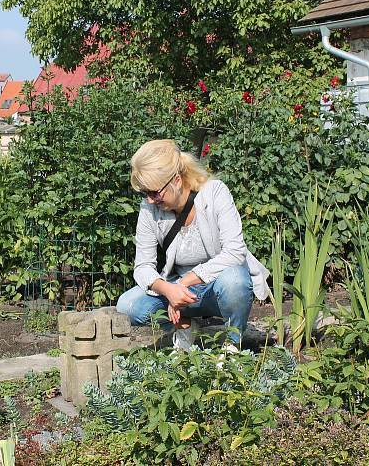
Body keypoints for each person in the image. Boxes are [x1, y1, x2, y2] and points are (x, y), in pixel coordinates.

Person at [116, 139, 270, 349]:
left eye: (154, 192)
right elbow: (143, 267)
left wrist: (184, 282)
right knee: (128, 305)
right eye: (145, 193)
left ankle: (233, 345)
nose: (150, 200)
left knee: (235, 280)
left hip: (218, 285)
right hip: (179, 289)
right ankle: (185, 327)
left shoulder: (214, 192)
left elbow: (235, 252)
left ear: (177, 180)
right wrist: (169, 290)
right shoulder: (149, 208)